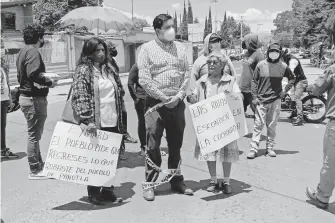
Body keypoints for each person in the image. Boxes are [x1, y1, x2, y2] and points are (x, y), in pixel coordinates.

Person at [138, 14, 193, 201]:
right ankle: (150, 183)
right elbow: (144, 78)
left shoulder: (180, 48)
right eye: (168, 27)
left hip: (177, 104)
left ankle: (176, 180)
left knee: (176, 144)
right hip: (155, 104)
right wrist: (163, 97)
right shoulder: (146, 49)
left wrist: (178, 97)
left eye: (173, 26)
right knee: (153, 144)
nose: (172, 30)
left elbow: (187, 72)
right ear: (157, 30)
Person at [71, 37, 124, 205]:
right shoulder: (84, 69)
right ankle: (94, 192)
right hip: (96, 121)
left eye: (103, 50)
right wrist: (88, 119)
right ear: (89, 53)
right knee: (96, 158)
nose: (101, 53)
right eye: (97, 51)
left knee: (111, 158)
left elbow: (120, 89)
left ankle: (108, 190)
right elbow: (80, 95)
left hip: (113, 119)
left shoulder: (108, 68)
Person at [187, 52, 241, 193]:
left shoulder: (230, 81)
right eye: (209, 62)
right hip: (208, 122)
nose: (211, 65)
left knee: (226, 153)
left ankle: (226, 181)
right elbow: (193, 96)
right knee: (210, 152)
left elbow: (239, 96)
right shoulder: (201, 82)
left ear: (222, 65)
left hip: (225, 122)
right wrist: (191, 98)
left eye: (214, 62)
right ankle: (213, 180)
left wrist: (233, 97)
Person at [17, 24, 57, 178]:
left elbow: (26, 75)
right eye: (43, 37)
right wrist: (49, 82)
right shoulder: (33, 51)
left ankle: (38, 164)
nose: (44, 40)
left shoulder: (23, 51)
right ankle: (35, 169)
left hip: (28, 98)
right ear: (39, 37)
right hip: (34, 99)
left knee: (35, 134)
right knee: (34, 135)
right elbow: (33, 74)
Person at [247, 43, 295, 159]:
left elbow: (292, 78)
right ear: (268, 52)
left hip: (275, 100)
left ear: (280, 53)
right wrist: (254, 97)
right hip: (262, 100)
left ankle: (270, 148)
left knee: (272, 125)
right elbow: (254, 81)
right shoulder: (261, 65)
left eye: (276, 51)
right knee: (258, 125)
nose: (274, 53)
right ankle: (254, 149)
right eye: (272, 51)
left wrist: (285, 92)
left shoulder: (283, 66)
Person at [305, 55, 335, 210]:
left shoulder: (333, 69)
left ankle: (322, 197)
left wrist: (311, 87)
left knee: (331, 163)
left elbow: (317, 89)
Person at [105, 40, 138, 144]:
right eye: (112, 48)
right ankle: (119, 136)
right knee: (116, 114)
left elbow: (116, 76)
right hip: (111, 93)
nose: (115, 50)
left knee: (123, 113)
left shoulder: (113, 61)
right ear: (108, 50)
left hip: (118, 92)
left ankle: (123, 134)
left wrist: (121, 88)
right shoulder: (105, 63)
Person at [239, 34, 264, 118]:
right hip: (243, 89)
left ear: (250, 42)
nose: (243, 43)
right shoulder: (247, 53)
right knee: (239, 114)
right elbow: (245, 71)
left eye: (244, 41)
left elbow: (262, 73)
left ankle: (258, 131)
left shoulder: (259, 55)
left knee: (258, 115)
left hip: (252, 90)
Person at [282, 49, 308, 126]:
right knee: (291, 95)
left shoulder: (293, 60)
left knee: (296, 98)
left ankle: (300, 118)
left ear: (285, 55)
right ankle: (294, 112)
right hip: (295, 81)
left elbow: (290, 72)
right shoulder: (287, 60)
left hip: (301, 81)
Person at [1, 45, 18, 159]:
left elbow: (6, 84)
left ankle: (2, 149)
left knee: (2, 126)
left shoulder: (2, 67)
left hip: (3, 100)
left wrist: (10, 99)